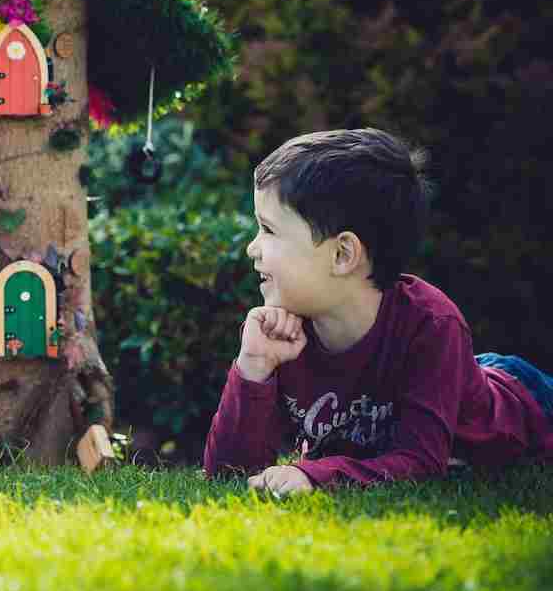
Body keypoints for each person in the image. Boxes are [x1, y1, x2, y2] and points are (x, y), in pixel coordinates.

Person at [203, 128, 553, 494]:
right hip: (458, 375)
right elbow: (227, 476)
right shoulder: (284, 331)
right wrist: (253, 369)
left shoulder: (432, 326)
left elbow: (421, 461)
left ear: (342, 255)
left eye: (268, 230)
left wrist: (316, 475)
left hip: (527, 400)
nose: (252, 248)